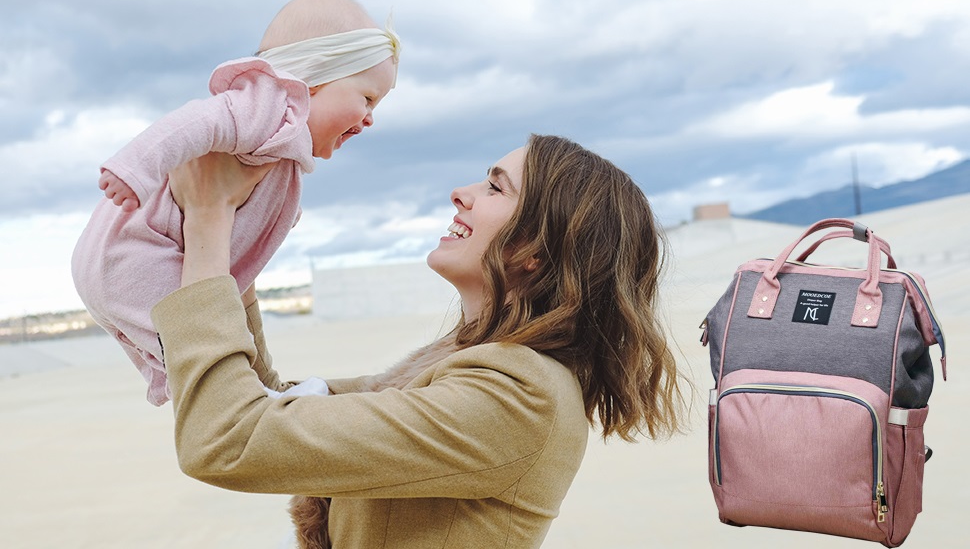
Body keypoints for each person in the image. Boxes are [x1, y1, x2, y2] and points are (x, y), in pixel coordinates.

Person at [150, 134, 688, 548]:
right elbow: (276, 409)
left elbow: (226, 439)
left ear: (538, 251)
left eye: (496, 187)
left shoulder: (519, 396)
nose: (462, 193)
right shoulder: (472, 366)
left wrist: (207, 220)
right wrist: (238, 238)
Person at [71, 0, 401, 405]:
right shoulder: (267, 106)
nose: (371, 118)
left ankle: (203, 386)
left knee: (194, 336)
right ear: (314, 78)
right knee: (199, 340)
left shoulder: (284, 146)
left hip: (121, 263)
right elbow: (197, 121)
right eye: (367, 98)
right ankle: (243, 398)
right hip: (134, 254)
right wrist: (134, 169)